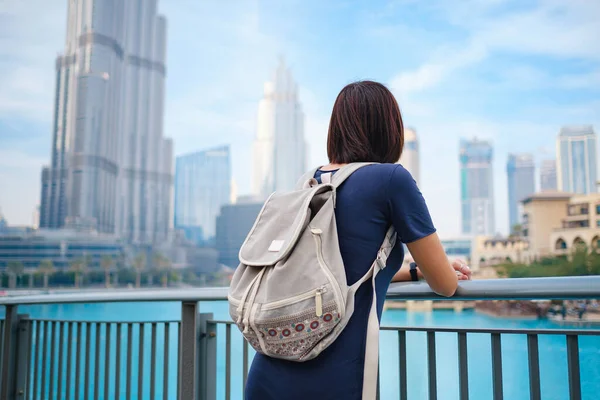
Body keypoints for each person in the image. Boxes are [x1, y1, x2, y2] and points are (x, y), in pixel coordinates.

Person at [245, 80, 471, 399]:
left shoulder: (311, 182)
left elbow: (335, 269)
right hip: (334, 381)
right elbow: (446, 285)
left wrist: (410, 272)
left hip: (268, 373)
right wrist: (437, 269)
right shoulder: (392, 179)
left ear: (336, 129)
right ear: (390, 129)